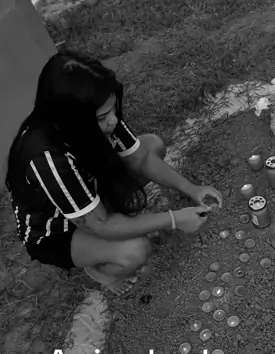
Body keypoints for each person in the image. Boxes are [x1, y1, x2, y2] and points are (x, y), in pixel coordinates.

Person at [5, 48, 223, 295]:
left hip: (89, 193)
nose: (113, 121)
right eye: (102, 117)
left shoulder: (92, 116)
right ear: (74, 119)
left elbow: (141, 158)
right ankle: (99, 270)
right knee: (135, 250)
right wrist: (174, 219)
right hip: (58, 229)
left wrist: (191, 189)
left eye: (112, 110)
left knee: (152, 145)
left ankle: (103, 224)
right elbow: (102, 224)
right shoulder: (46, 159)